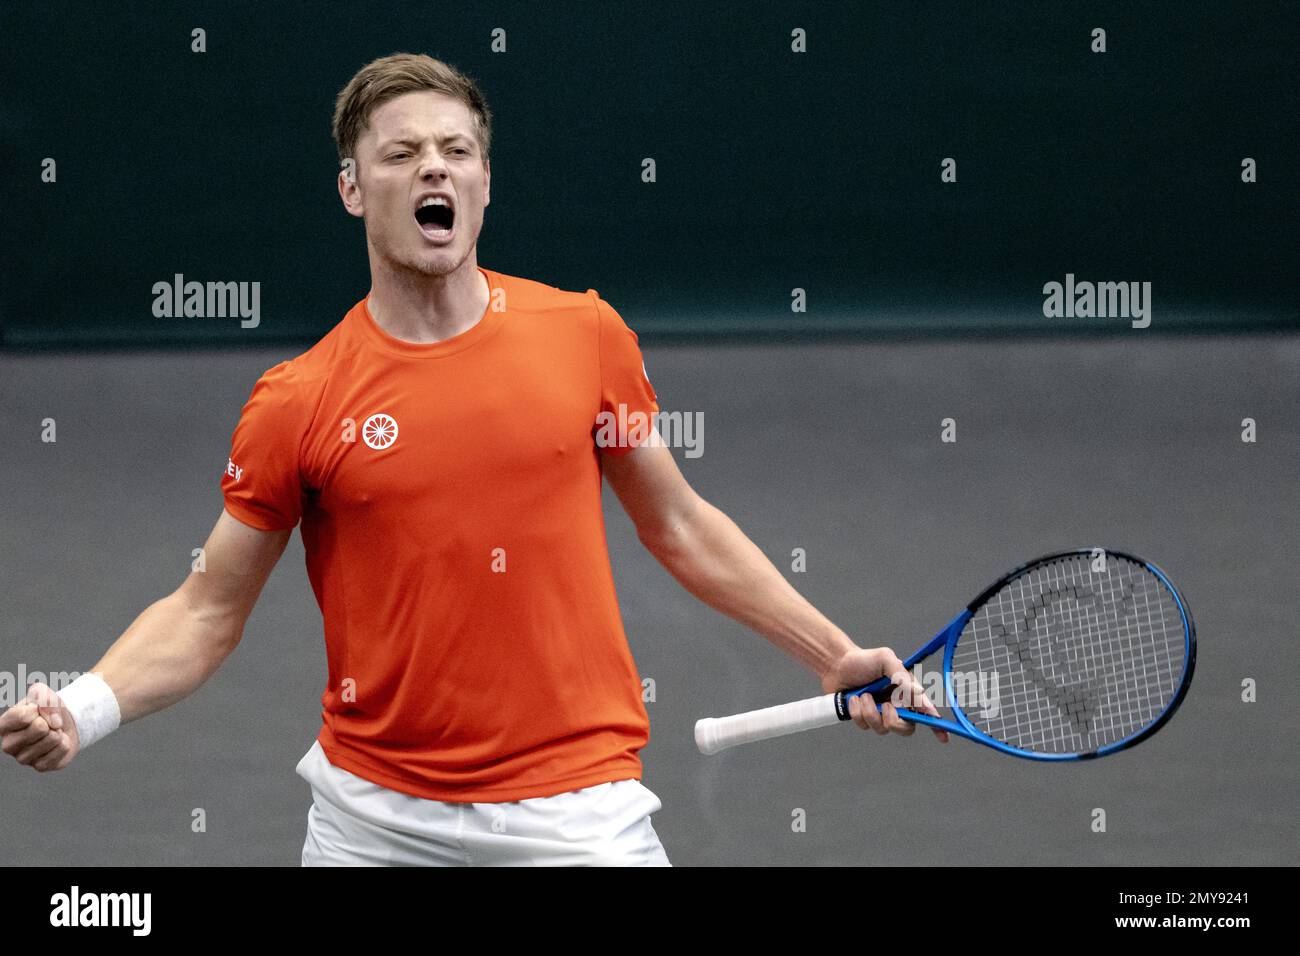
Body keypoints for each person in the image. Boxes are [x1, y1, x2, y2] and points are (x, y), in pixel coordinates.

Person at [0, 53, 946, 866]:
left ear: (485, 183)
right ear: (352, 187)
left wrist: (830, 653)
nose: (431, 170)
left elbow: (680, 523)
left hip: (580, 815)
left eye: (455, 151)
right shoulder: (299, 398)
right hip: (371, 824)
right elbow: (207, 607)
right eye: (400, 153)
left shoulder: (584, 335)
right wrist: (83, 708)